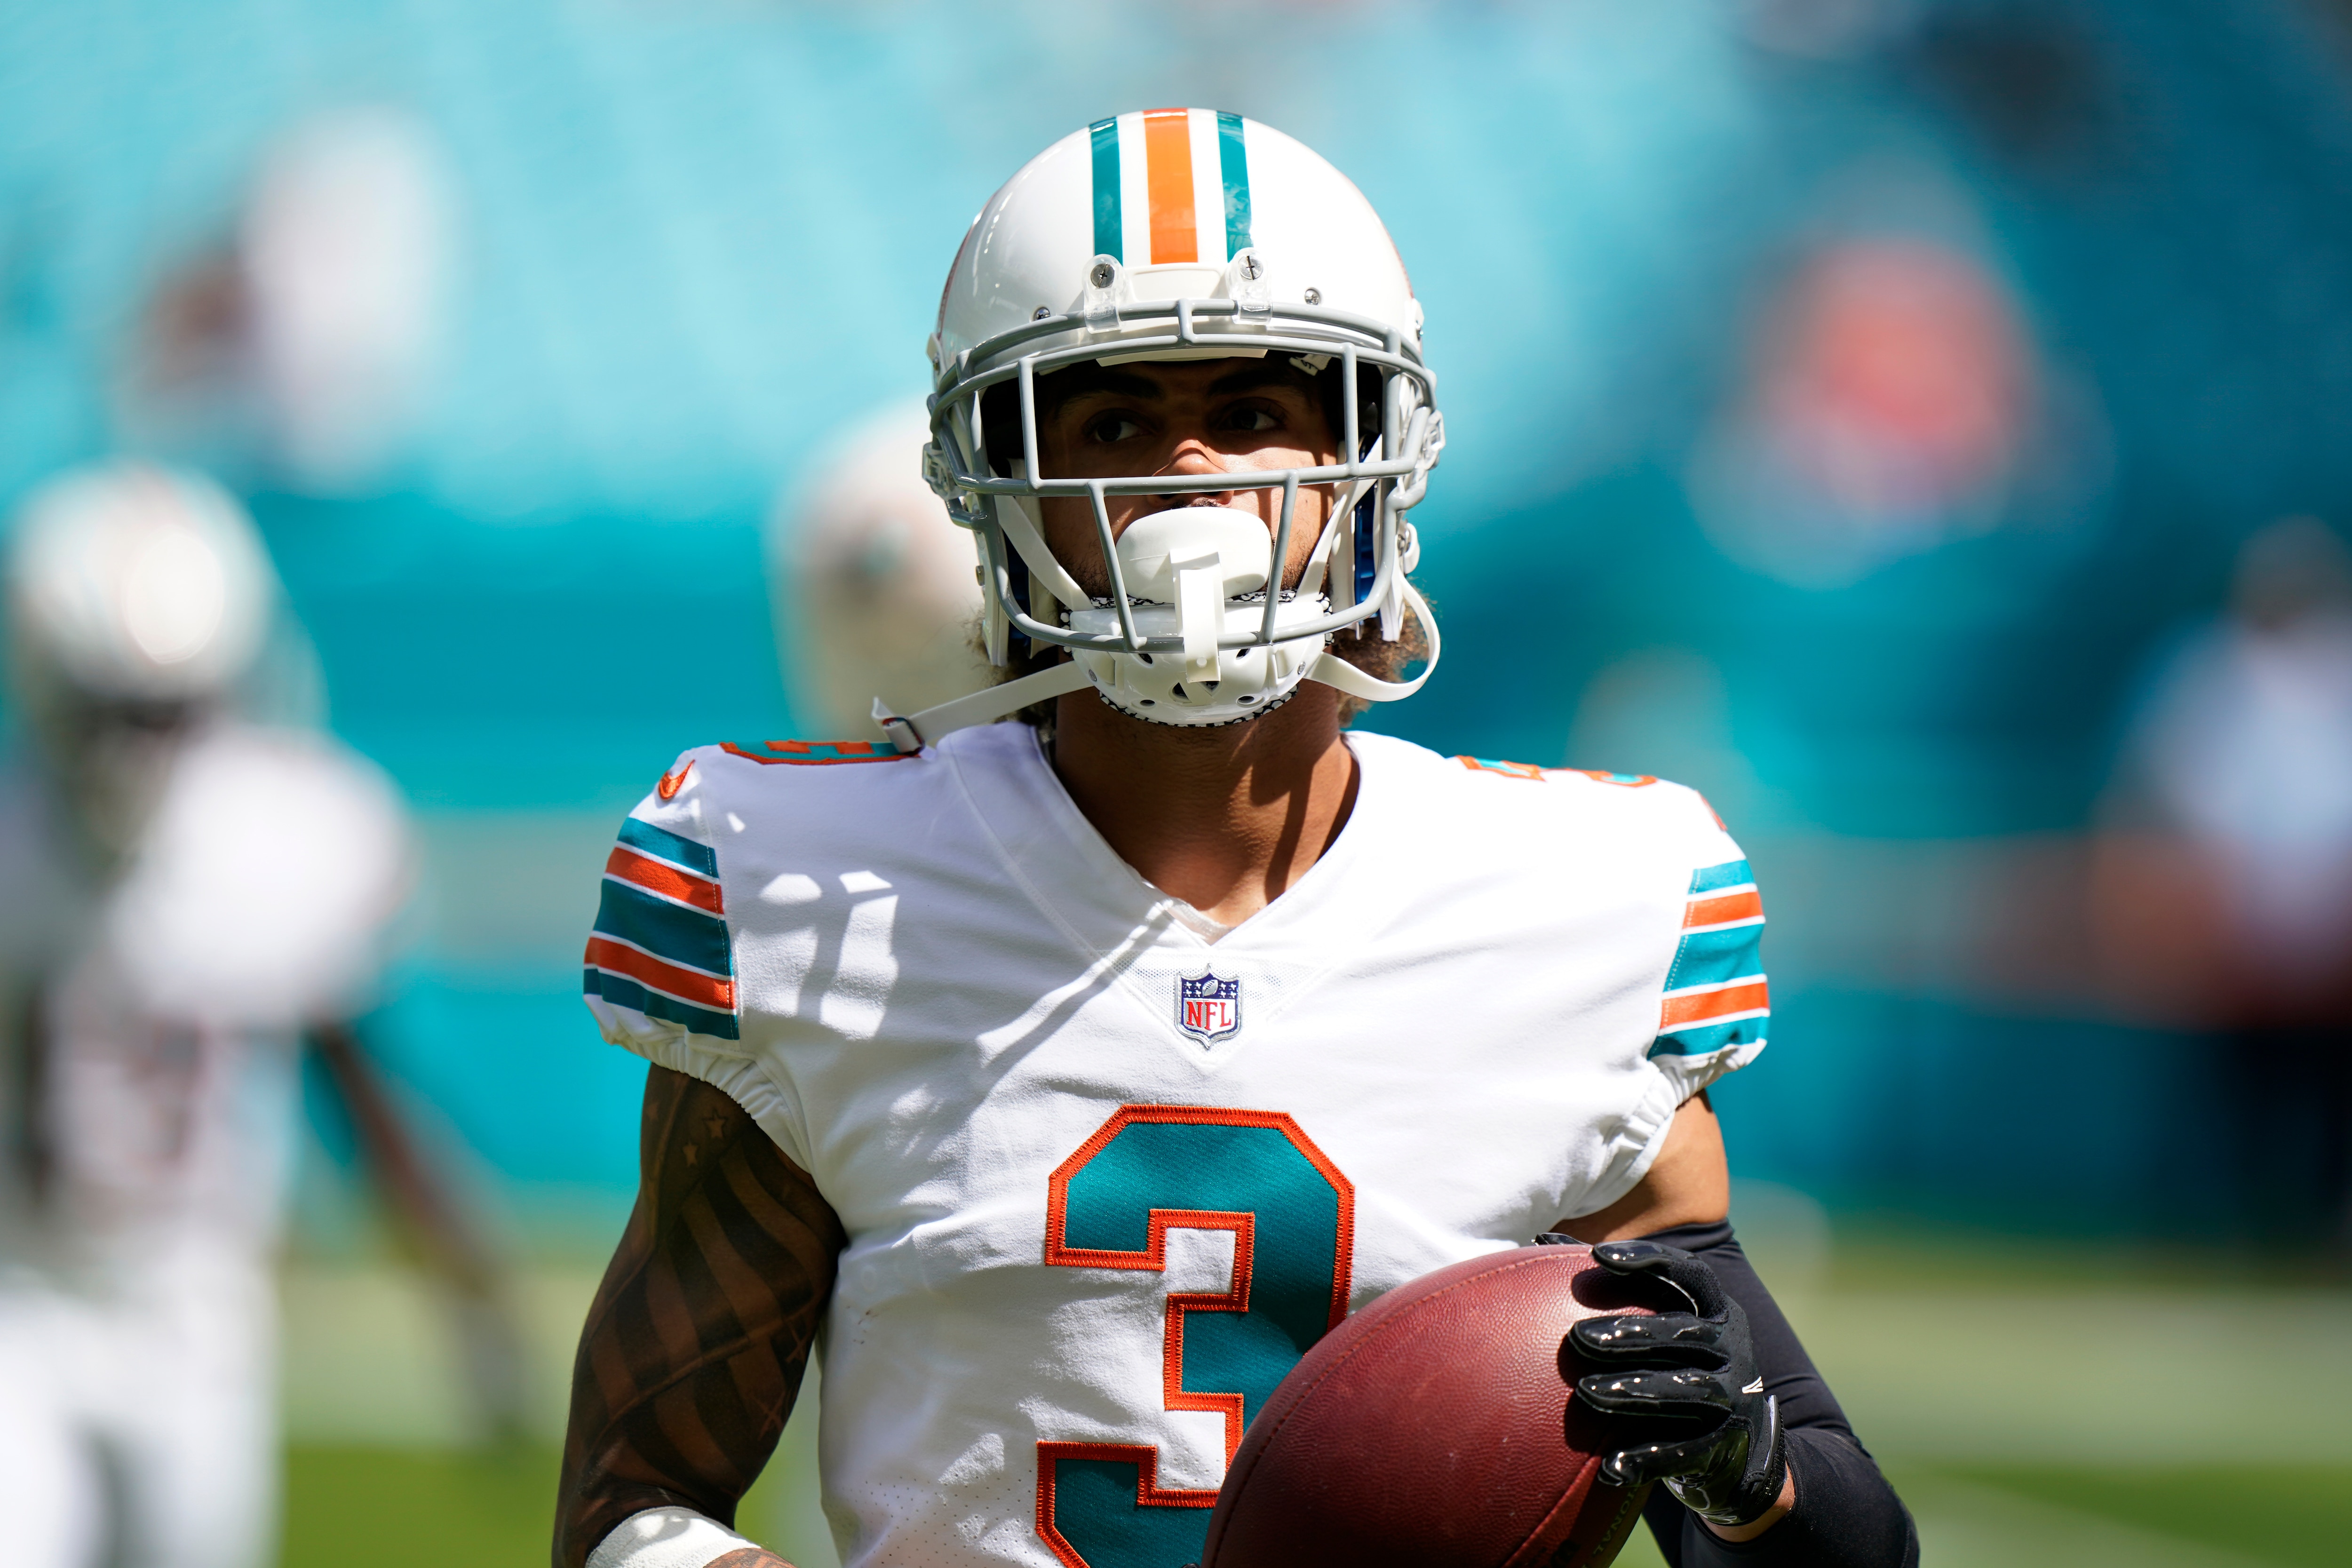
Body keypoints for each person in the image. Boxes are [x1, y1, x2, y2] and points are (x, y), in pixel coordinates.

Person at [557, 111, 1915, 1568]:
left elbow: (1838, 1548)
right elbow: (635, 1509)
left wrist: (1744, 1473)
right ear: (994, 479)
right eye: (1115, 420)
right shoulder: (814, 890)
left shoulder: (1577, 907)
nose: (1195, 474)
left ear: (1373, 458)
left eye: (1262, 409)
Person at [0, 462, 410, 1568]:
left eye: (167, 709)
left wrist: (458, 1272)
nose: (140, 744)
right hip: (20, 1300)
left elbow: (352, 1062)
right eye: (116, 708)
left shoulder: (280, 845)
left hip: (198, 1317)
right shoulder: (19, 852)